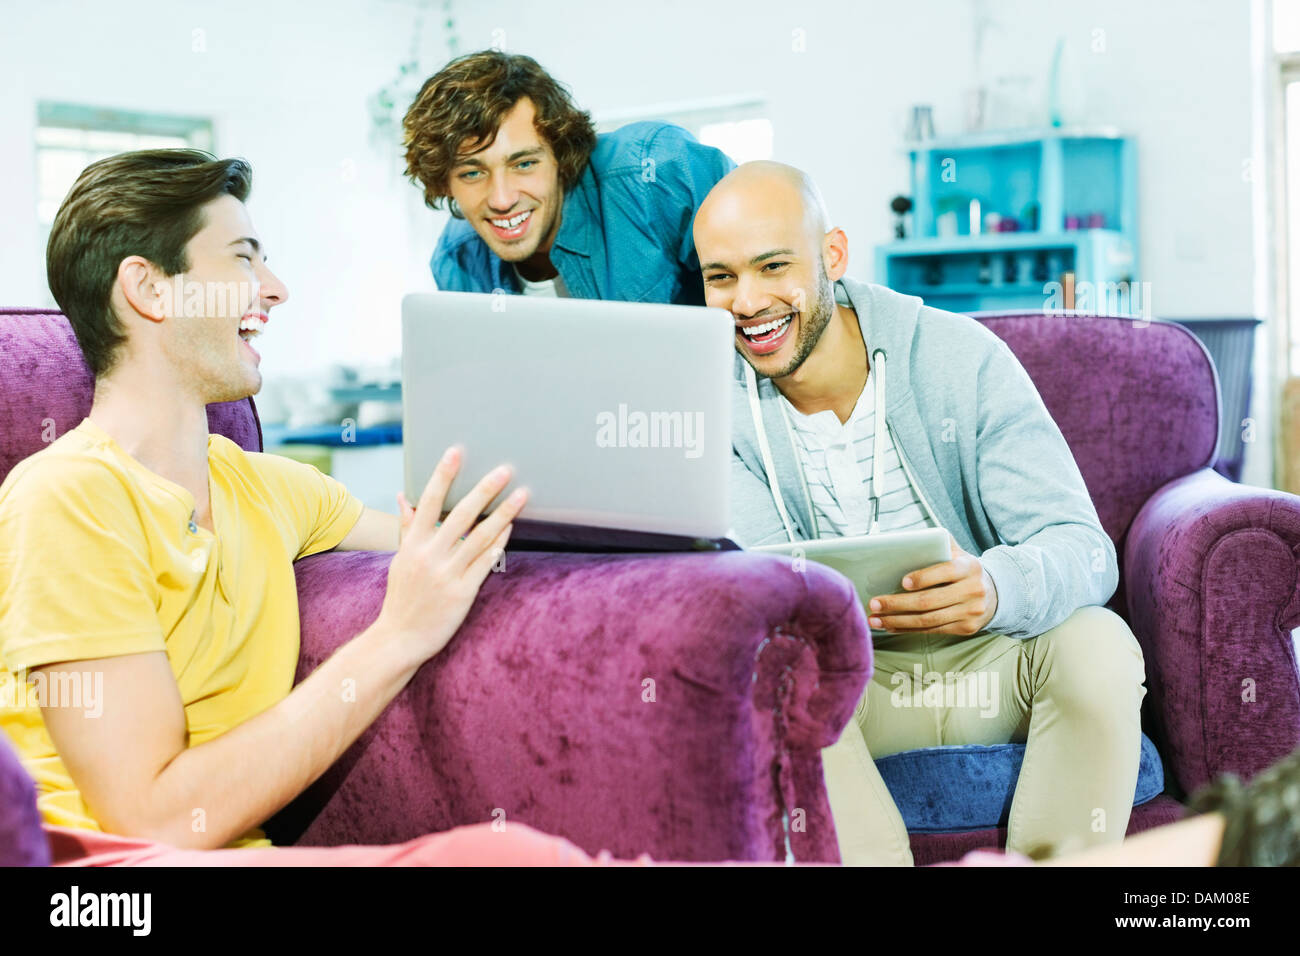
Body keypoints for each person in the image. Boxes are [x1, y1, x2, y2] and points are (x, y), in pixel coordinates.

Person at [0, 147, 646, 866]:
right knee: (513, 860)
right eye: (243, 260)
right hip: (98, 879)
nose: (274, 289)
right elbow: (153, 818)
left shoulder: (269, 488)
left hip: (230, 855)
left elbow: (459, 540)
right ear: (151, 289)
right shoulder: (66, 498)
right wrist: (396, 636)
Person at [693, 161, 1148, 866]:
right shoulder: (715, 407)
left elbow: (1084, 550)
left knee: (1098, 642)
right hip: (852, 690)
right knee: (773, 668)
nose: (747, 302)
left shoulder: (959, 360)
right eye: (720, 277)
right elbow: (767, 593)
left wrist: (995, 587)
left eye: (773, 266)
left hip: (992, 665)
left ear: (832, 256)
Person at [402, 50, 734, 304]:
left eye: (524, 164)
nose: (502, 199)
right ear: (443, 181)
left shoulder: (653, 172)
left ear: (562, 156)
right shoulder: (457, 260)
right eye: (473, 172)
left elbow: (774, 270)